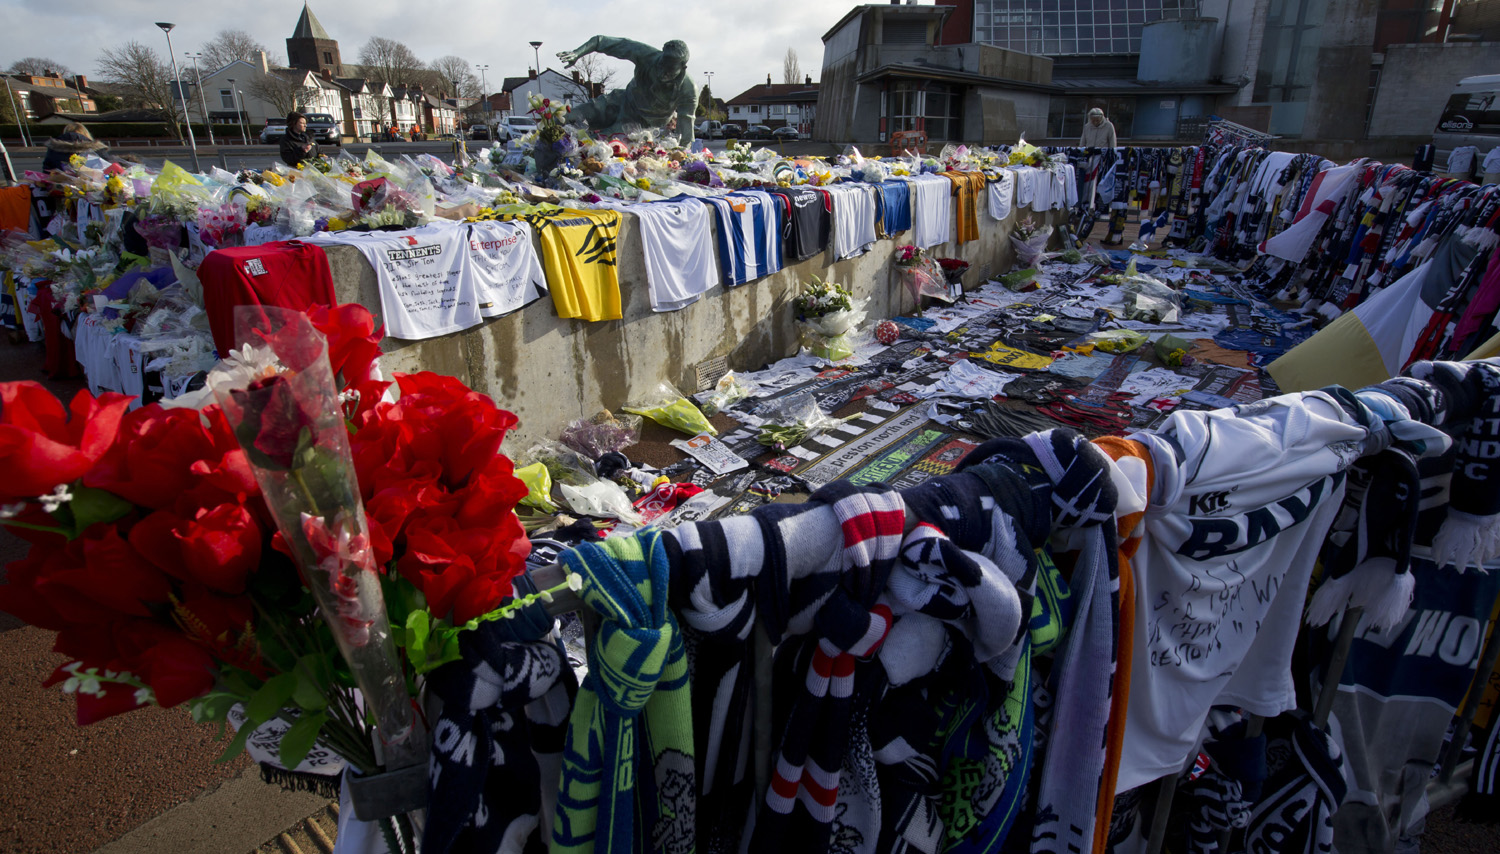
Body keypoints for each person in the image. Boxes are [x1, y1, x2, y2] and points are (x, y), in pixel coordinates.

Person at [558, 36, 698, 145]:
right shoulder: (647, 55)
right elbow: (601, 41)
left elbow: (685, 134)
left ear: (682, 68)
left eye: (669, 71)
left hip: (638, 123)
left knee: (594, 144)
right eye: (661, 65)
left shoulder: (688, 89)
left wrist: (681, 161)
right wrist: (577, 53)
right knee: (565, 118)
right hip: (622, 99)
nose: (662, 73)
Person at [41, 122, 106, 171]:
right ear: (85, 134)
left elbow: (47, 170)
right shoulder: (95, 148)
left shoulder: (53, 148)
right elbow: (108, 169)